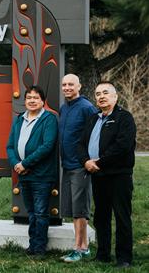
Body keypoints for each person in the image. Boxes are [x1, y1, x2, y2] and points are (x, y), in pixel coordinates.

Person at [78, 81, 136, 268]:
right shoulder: (93, 119)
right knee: (101, 217)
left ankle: (124, 258)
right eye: (97, 94)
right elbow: (81, 144)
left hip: (118, 175)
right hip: (97, 176)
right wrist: (86, 161)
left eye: (105, 93)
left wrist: (99, 163)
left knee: (121, 216)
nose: (101, 96)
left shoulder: (124, 118)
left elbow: (122, 146)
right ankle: (102, 254)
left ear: (115, 97)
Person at [6, 85, 58, 257]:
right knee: (31, 212)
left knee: (41, 212)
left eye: (36, 98)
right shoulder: (20, 119)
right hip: (23, 174)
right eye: (29, 98)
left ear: (43, 101)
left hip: (41, 175)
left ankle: (40, 248)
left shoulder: (49, 119)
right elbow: (10, 146)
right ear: (25, 100)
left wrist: (25, 163)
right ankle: (32, 245)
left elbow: (47, 146)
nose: (32, 101)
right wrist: (16, 165)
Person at [58, 74, 98, 263]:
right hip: (67, 165)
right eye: (64, 84)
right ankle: (81, 247)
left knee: (80, 209)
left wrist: (88, 161)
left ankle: (80, 249)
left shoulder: (87, 108)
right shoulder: (64, 108)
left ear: (79, 86)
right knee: (74, 209)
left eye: (70, 84)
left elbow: (94, 135)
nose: (67, 87)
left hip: (81, 166)